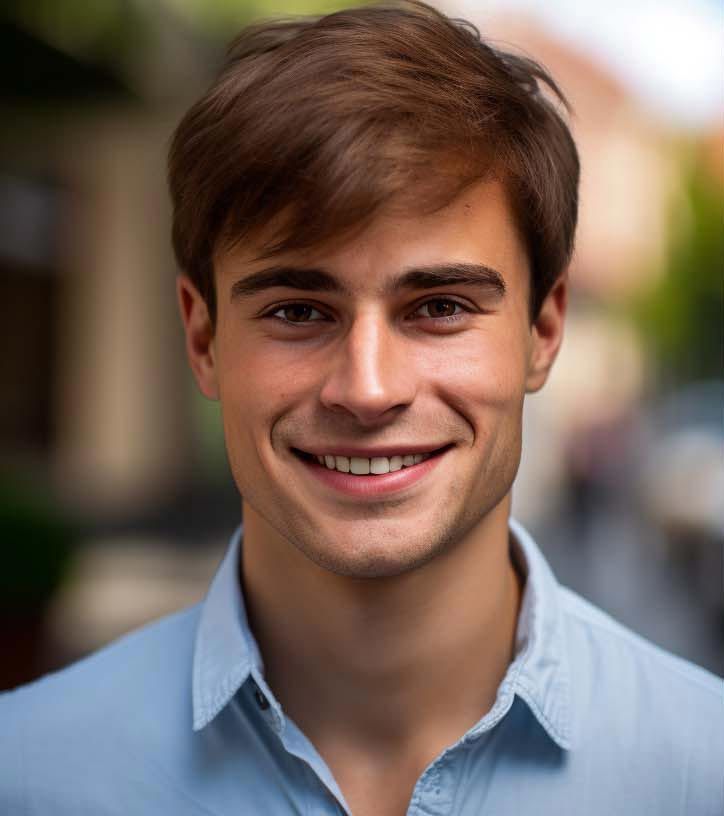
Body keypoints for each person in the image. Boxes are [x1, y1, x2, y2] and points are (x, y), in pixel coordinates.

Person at [1, 2, 721, 814]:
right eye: (299, 312)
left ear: (542, 331)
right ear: (203, 340)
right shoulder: (28, 776)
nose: (369, 388)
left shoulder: (702, 772)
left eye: (440, 307)